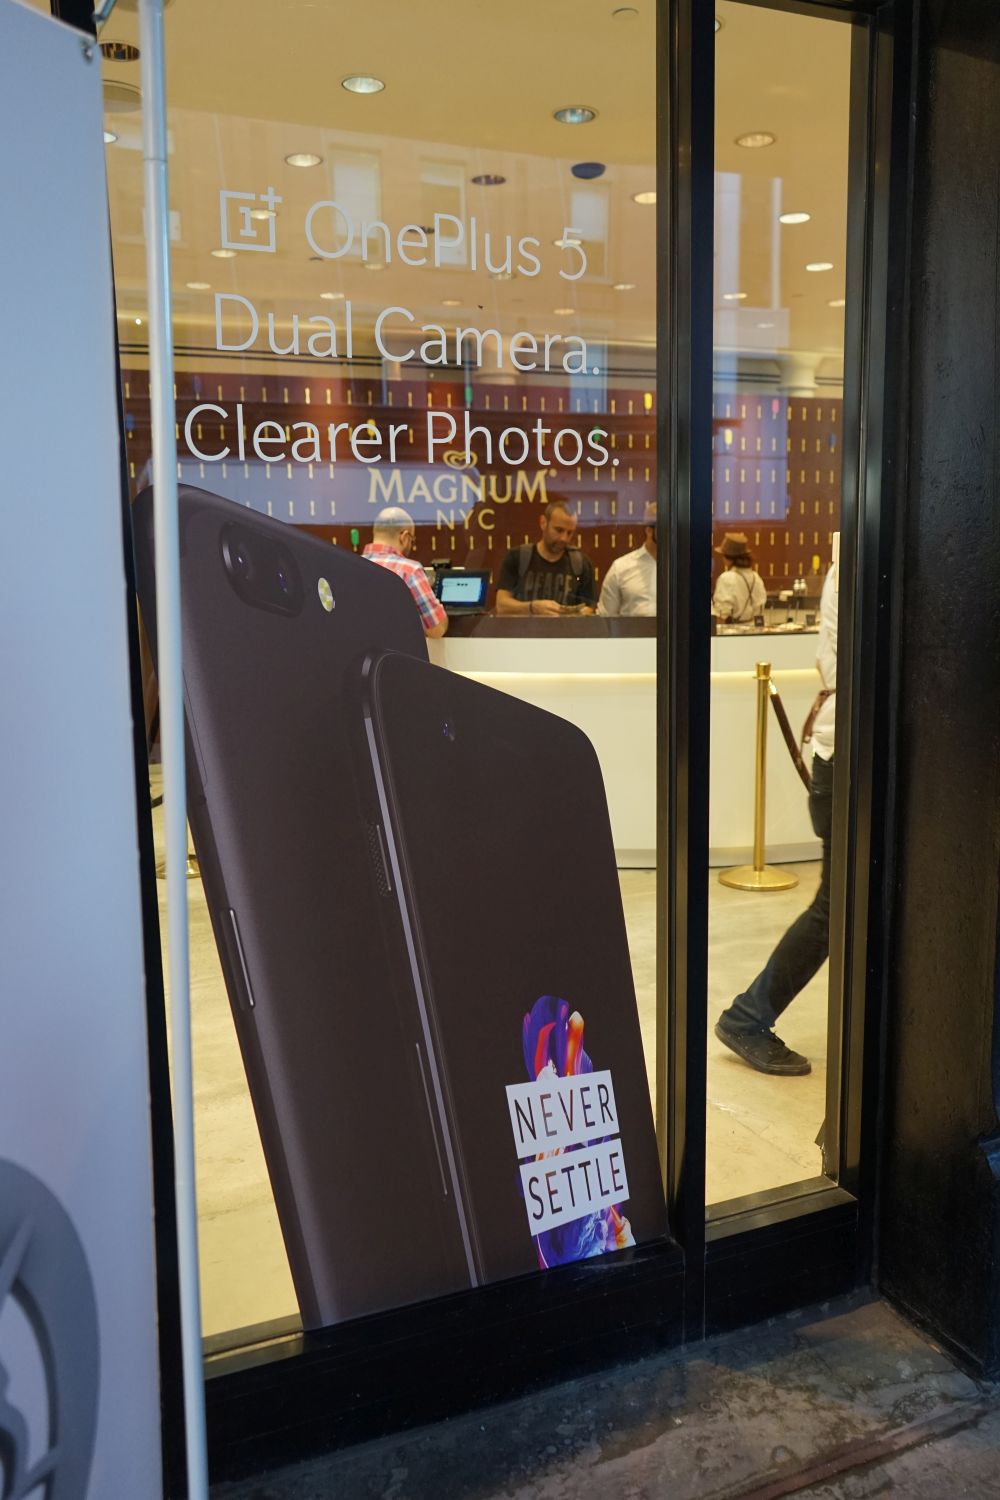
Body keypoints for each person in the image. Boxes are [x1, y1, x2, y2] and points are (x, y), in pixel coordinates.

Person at [715, 560, 838, 1075]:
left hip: (849, 751)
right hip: (849, 755)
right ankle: (748, 1017)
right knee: (836, 908)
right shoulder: (857, 562)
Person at [495, 500, 596, 616]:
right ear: (543, 523)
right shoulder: (518, 557)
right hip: (525, 627)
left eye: (570, 533)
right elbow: (501, 605)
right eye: (559, 530)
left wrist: (575, 613)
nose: (564, 538)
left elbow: (591, 607)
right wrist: (532, 607)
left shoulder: (581, 563)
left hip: (566, 627)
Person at [362, 507, 448, 638]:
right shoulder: (409, 570)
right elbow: (436, 629)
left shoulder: (349, 567)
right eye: (412, 540)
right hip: (394, 650)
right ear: (404, 537)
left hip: (354, 650)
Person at [597, 503, 657, 617]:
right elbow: (606, 618)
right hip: (631, 629)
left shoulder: (685, 567)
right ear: (649, 531)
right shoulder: (621, 568)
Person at [713, 533, 767, 623]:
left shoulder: (726, 578)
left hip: (730, 629)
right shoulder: (756, 577)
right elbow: (760, 608)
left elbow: (722, 613)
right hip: (752, 628)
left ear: (728, 557)